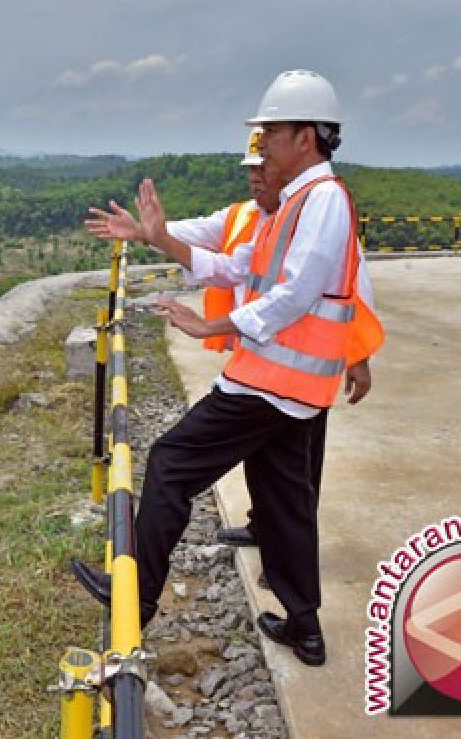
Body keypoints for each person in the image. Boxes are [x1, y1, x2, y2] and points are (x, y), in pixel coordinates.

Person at [73, 70, 383, 666]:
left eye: (271, 131)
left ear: (308, 136)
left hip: (268, 382)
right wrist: (159, 237)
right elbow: (235, 266)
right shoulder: (294, 205)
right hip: (289, 389)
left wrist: (211, 326)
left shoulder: (321, 203)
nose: (261, 144)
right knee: (284, 504)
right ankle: (305, 627)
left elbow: (294, 295)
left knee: (170, 464)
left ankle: (134, 599)